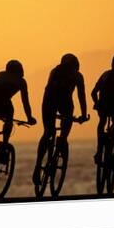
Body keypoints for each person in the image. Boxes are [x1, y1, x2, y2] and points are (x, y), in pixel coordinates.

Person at [32, 53, 88, 185]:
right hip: (51, 100)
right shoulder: (59, 73)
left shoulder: (74, 75)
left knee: (56, 133)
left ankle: (60, 142)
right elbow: (52, 91)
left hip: (60, 102)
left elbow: (81, 95)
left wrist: (84, 114)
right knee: (49, 132)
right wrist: (82, 115)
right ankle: (39, 165)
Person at [0, 60, 37, 158]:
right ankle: (5, 144)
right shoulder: (21, 81)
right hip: (3, 104)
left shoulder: (0, 75)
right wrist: (29, 118)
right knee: (9, 118)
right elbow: (25, 101)